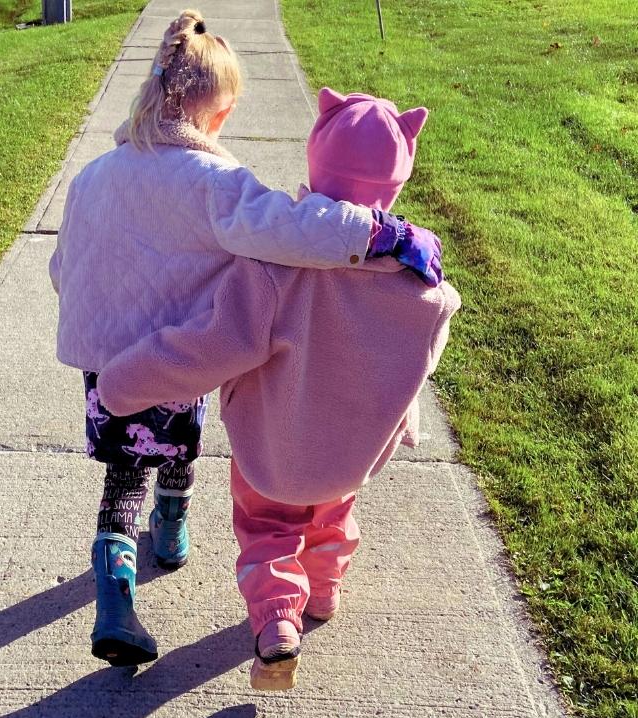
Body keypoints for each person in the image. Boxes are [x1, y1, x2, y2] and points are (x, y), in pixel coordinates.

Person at [49, 7, 444, 668]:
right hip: (178, 351)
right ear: (220, 113)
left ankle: (117, 592)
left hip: (105, 362)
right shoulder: (217, 184)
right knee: (178, 448)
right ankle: (173, 539)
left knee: (122, 478)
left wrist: (99, 339)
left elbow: (65, 266)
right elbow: (293, 230)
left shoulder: (93, 177)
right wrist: (381, 234)